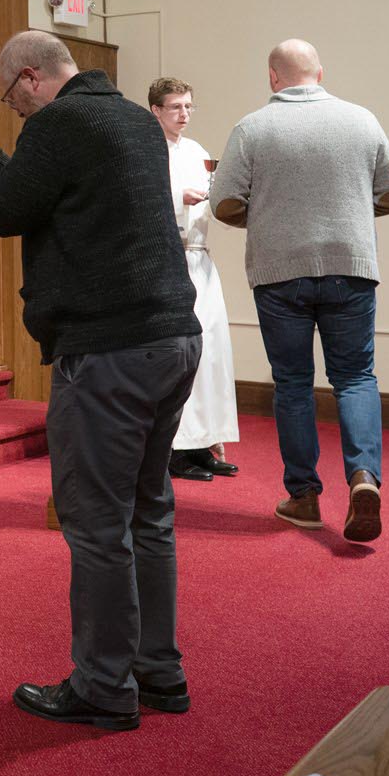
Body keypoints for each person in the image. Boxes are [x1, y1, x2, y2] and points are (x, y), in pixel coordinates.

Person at [0, 31, 201, 731]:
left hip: (111, 347)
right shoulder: (135, 119)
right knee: (150, 509)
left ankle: (104, 686)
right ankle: (158, 669)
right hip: (174, 336)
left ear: (29, 80)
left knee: (96, 523)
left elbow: (4, 209)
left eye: (13, 103)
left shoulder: (61, 121)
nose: (19, 114)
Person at [210, 39, 389, 544]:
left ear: (274, 78)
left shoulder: (252, 127)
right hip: (351, 267)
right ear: (320, 72)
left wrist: (273, 215)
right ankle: (364, 478)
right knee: (356, 377)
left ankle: (304, 496)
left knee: (293, 384)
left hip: (279, 273)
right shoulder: (363, 119)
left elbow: (223, 203)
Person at [150, 77, 239, 483]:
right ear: (156, 110)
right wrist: (176, 198)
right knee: (180, 357)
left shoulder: (198, 150)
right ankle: (173, 447)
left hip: (201, 260)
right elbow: (143, 202)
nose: (183, 114)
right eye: (175, 107)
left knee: (211, 353)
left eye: (188, 106)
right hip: (170, 260)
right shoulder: (148, 151)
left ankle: (203, 442)